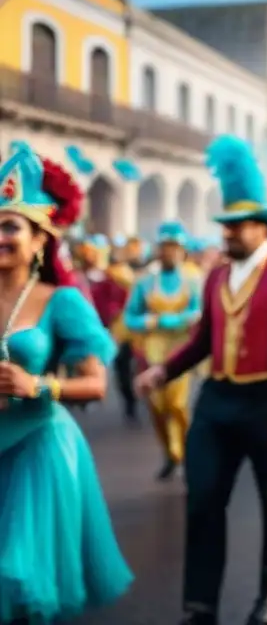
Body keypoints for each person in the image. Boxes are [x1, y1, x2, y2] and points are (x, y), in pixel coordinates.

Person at [134, 135, 267, 625]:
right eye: (226, 225)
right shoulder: (216, 277)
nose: (227, 234)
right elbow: (202, 340)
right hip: (216, 401)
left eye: (237, 226)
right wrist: (164, 370)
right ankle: (200, 605)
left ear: (263, 228)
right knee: (203, 501)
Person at [0, 142, 133, 622]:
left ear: (40, 240)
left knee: (20, 580)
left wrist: (36, 384)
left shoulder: (62, 302)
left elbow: (96, 384)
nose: (0, 236)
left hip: (39, 449)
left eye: (10, 226)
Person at [123, 219, 201, 481]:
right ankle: (170, 452)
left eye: (174, 247)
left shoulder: (192, 280)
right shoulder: (145, 282)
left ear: (182, 250)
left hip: (181, 351)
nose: (169, 252)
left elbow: (198, 311)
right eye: (164, 246)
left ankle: (188, 453)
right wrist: (150, 321)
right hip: (152, 352)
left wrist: (177, 320)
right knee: (157, 408)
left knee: (178, 405)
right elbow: (129, 317)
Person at [80, 234, 137, 422]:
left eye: (94, 252)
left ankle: (130, 402)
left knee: (123, 371)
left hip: (117, 331)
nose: (90, 256)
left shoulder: (116, 275)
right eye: (88, 251)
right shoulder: (76, 277)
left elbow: (127, 301)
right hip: (88, 331)